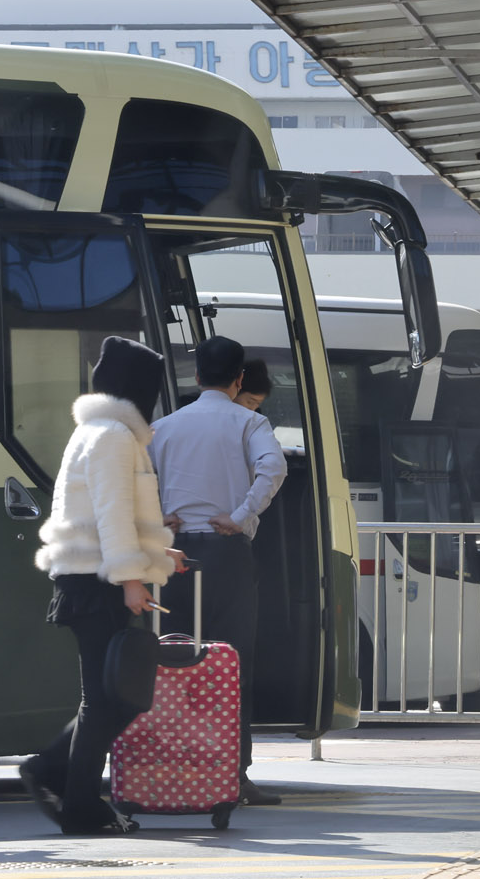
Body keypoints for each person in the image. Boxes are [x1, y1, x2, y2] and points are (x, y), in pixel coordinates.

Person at [19, 336, 183, 835]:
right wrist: (132, 578)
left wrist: (157, 554)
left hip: (91, 574)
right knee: (110, 698)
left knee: (115, 696)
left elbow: (107, 513)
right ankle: (78, 802)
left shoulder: (96, 430)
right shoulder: (113, 435)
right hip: (99, 580)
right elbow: (111, 514)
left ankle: (55, 774)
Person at [151, 335, 288, 806]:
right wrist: (242, 514)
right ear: (239, 379)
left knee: (171, 661)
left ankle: (171, 769)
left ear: (195, 376)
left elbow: (135, 478)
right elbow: (274, 468)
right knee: (232, 665)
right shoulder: (250, 422)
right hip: (227, 553)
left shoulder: (163, 427)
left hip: (171, 557)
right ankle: (233, 775)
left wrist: (157, 516)